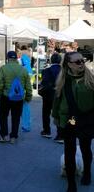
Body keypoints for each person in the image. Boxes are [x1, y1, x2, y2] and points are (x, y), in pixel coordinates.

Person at [52, 52, 94, 192]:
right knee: (70, 151)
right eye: (77, 62)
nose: (81, 63)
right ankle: (71, 183)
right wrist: (56, 117)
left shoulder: (91, 79)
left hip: (86, 119)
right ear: (68, 64)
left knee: (85, 148)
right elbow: (57, 100)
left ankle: (87, 172)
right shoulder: (63, 81)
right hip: (70, 119)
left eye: (82, 61)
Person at [0, 51, 32, 144]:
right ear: (16, 58)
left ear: (8, 58)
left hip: (6, 96)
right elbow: (28, 85)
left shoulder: (3, 68)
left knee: (3, 116)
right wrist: (28, 97)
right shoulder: (23, 69)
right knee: (16, 117)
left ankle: (4, 135)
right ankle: (13, 137)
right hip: (19, 98)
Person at [40, 53, 63, 142]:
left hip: (47, 95)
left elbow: (43, 83)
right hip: (59, 95)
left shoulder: (46, 71)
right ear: (60, 60)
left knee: (46, 113)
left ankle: (47, 131)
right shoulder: (63, 71)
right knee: (59, 114)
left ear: (51, 60)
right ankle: (60, 135)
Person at [20, 45, 33, 132]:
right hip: (30, 75)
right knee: (26, 103)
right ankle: (27, 124)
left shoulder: (22, 55)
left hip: (25, 76)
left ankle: (25, 125)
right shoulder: (29, 54)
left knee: (24, 104)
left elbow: (23, 65)